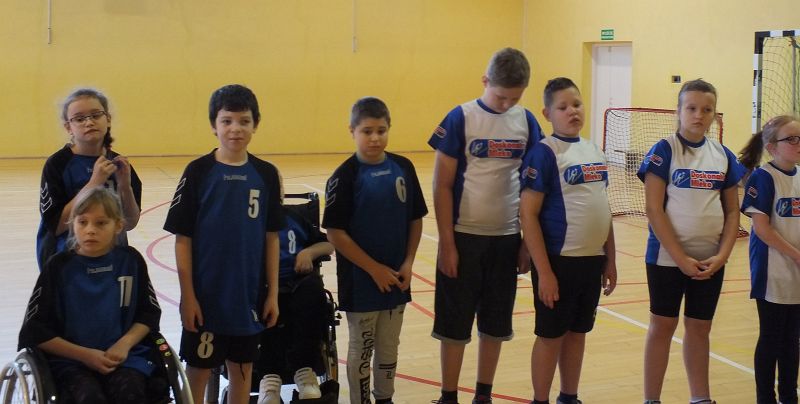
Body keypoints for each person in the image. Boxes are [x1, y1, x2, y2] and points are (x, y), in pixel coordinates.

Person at [428, 47, 543, 404]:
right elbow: (441, 185)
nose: (507, 104)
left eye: (515, 98)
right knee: (454, 324)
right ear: (484, 81)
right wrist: (447, 243)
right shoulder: (460, 118)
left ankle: (483, 395)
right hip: (463, 239)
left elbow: (534, 188)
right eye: (500, 96)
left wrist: (526, 243)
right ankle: (449, 395)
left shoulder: (527, 122)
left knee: (495, 324)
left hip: (506, 240)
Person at [163, 84, 283, 404]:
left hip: (248, 297)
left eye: (244, 121)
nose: (235, 129)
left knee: (242, 370)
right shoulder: (198, 172)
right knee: (199, 371)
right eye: (227, 121)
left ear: (255, 124)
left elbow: (272, 238)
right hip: (206, 298)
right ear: (213, 125)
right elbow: (182, 239)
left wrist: (272, 294)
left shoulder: (266, 174)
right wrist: (188, 297)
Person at [637, 79, 745, 404]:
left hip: (709, 261)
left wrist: (722, 256)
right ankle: (651, 399)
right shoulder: (664, 150)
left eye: (707, 109)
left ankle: (700, 397)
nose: (699, 115)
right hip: (666, 259)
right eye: (692, 108)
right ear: (679, 111)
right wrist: (680, 258)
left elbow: (733, 212)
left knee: (700, 328)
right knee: (663, 325)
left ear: (715, 115)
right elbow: (654, 209)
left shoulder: (723, 155)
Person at [322, 96, 427, 404]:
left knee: (389, 346)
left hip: (397, 278)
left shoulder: (403, 167)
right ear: (352, 131)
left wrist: (408, 263)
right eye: (367, 131)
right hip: (361, 281)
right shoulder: (345, 176)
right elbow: (335, 233)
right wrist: (374, 269)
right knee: (362, 347)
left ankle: (385, 398)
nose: (375, 138)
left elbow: (415, 219)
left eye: (381, 130)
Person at [519, 77, 617, 404]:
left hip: (592, 262)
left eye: (576, 104)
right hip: (558, 263)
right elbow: (528, 215)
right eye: (562, 107)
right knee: (551, 336)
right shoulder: (544, 153)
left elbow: (603, 207)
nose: (572, 111)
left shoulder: (594, 150)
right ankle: (540, 399)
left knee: (578, 333)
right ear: (547, 114)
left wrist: (610, 259)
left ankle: (569, 396)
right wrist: (545, 272)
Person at [19, 186, 161, 403]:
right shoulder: (58, 267)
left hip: (123, 357)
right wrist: (85, 355)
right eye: (83, 222)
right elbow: (35, 331)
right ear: (72, 224)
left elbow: (148, 314)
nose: (90, 230)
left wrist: (124, 344)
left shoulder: (131, 261)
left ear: (118, 226)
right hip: (70, 361)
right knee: (89, 396)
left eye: (101, 223)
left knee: (131, 392)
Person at [37, 88, 142, 270]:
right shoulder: (57, 164)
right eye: (79, 119)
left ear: (108, 119)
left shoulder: (119, 165)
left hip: (110, 261)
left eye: (96, 115)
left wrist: (125, 186)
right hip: (66, 262)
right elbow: (56, 225)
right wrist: (94, 183)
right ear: (68, 127)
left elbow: (130, 223)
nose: (89, 122)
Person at [739, 115, 800, 404]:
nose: (798, 143)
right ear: (772, 147)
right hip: (773, 271)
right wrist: (796, 256)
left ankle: (789, 396)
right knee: (771, 337)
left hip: (796, 270)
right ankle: (765, 398)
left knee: (792, 339)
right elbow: (762, 229)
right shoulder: (763, 178)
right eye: (792, 139)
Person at [257, 180, 335, 404]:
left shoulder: (295, 218)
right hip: (264, 286)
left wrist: (309, 253)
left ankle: (304, 369)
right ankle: (269, 376)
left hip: (297, 282)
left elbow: (328, 244)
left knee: (313, 292)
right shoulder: (251, 222)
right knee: (258, 299)